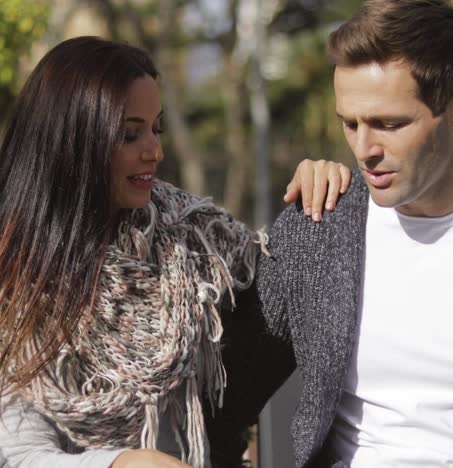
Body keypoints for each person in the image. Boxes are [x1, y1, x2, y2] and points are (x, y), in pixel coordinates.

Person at [0, 36, 348, 468]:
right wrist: (120, 462)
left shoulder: (194, 239)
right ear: (74, 141)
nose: (155, 150)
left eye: (156, 128)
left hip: (207, 456)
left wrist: (320, 187)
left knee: (318, 224)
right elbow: (17, 453)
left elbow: (283, 294)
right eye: (130, 134)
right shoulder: (14, 276)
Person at [206, 0, 453, 467]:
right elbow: (222, 395)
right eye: (350, 123)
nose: (364, 150)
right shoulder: (320, 226)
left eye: (389, 124)